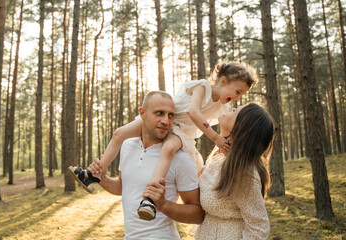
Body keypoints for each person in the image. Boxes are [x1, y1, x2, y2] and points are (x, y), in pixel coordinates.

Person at [69, 62, 258, 220]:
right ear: (223, 81)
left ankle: (149, 198)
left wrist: (232, 142)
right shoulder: (203, 87)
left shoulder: (223, 108)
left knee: (168, 150)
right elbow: (194, 112)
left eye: (241, 95)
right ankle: (93, 173)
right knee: (119, 133)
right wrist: (215, 137)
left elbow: (230, 126)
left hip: (181, 132)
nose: (237, 98)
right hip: (167, 119)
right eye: (237, 91)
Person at [143, 103, 274, 239]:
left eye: (234, 110)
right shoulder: (220, 155)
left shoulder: (244, 175)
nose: (229, 108)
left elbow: (259, 228)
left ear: (239, 129)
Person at [88, 91, 204, 239]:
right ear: (142, 113)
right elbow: (124, 187)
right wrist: (102, 178)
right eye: (159, 113)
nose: (166, 121)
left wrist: (163, 204)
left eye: (170, 115)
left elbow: (197, 214)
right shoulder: (127, 145)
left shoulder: (180, 158)